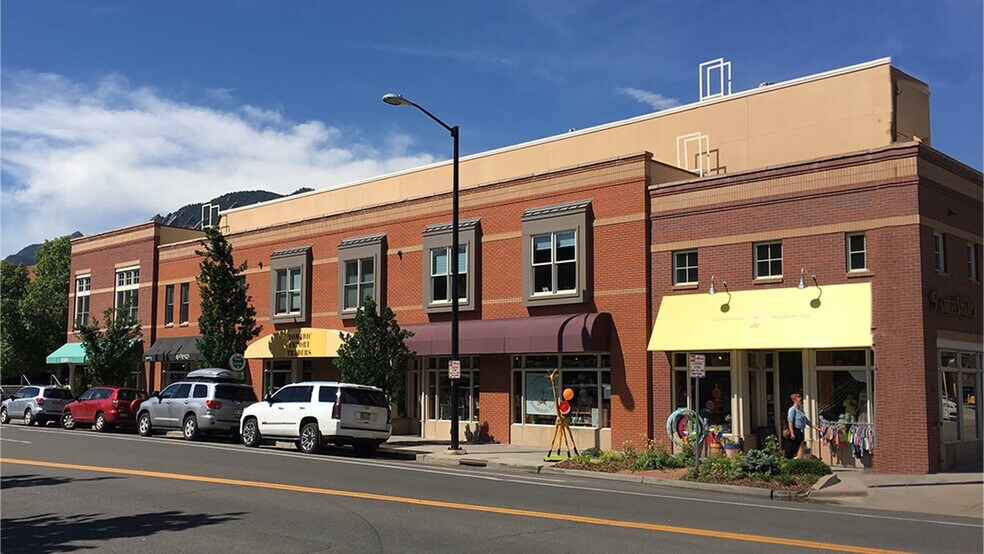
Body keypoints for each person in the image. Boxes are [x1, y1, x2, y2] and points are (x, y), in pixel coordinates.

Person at [784, 392, 815, 459]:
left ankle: (798, 459)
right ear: (794, 400)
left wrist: (816, 428)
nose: (800, 399)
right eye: (798, 398)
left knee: (799, 446)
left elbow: (807, 421)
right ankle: (788, 459)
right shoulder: (792, 409)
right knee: (792, 447)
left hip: (801, 431)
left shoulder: (801, 410)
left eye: (800, 398)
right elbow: (790, 421)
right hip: (795, 430)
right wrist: (792, 433)